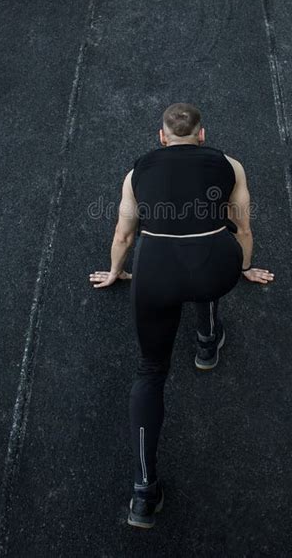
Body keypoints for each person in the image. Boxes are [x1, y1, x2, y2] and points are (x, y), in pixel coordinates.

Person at [89, 102, 274, 529]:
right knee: (209, 254)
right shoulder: (231, 166)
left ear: (162, 138)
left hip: (156, 274)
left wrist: (117, 271)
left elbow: (123, 232)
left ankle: (143, 492)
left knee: (151, 371)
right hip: (214, 268)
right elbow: (242, 228)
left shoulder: (137, 173)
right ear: (203, 135)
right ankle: (207, 341)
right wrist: (244, 267)